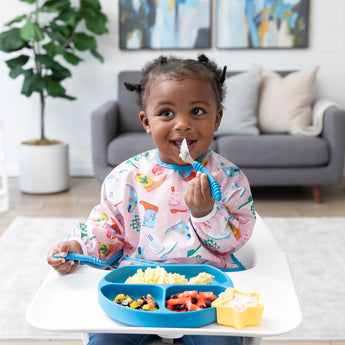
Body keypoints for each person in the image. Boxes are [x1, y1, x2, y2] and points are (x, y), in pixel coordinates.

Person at [47, 54, 256, 345]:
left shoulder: (229, 180)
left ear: (217, 118)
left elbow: (234, 242)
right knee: (106, 340)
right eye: (167, 113)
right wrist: (79, 245)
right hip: (136, 283)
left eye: (197, 111)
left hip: (207, 288)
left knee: (222, 342)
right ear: (146, 121)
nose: (182, 124)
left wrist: (207, 213)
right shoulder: (126, 177)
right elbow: (108, 229)